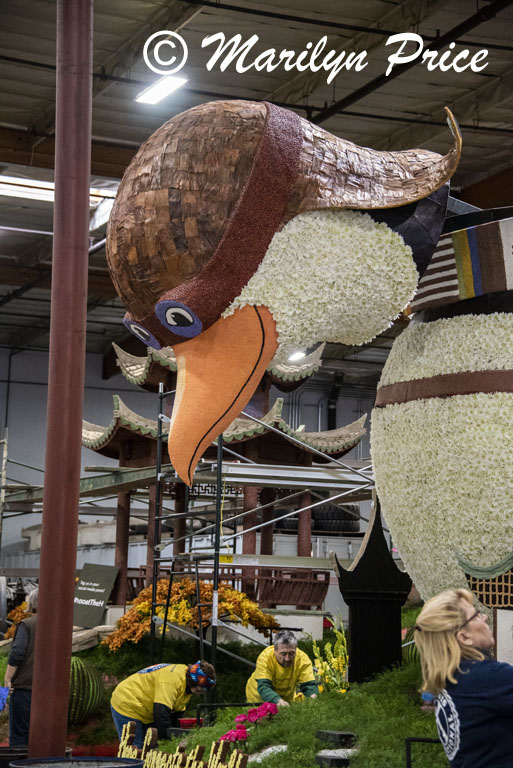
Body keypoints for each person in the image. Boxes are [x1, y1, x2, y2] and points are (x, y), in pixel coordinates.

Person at [414, 587, 512, 767]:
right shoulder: (488, 679)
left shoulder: (449, 682)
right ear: (464, 637)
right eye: (476, 615)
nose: (485, 617)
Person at [110, 660, 216, 747]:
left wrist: (177, 737)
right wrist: (169, 740)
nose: (199, 693)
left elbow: (175, 716)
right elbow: (161, 713)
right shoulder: (171, 680)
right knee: (134, 749)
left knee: (152, 747)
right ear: (194, 681)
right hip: (127, 702)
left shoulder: (185, 685)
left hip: (146, 709)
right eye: (199, 690)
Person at [245, 630, 319, 706]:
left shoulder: (302, 659)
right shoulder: (265, 658)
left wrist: (313, 697)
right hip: (258, 699)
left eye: (291, 653)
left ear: (296, 649)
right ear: (275, 650)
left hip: (286, 700)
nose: (287, 658)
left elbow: (309, 685)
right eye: (283, 654)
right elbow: (264, 687)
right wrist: (278, 701)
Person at [3, 588, 38, 746]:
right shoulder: (61, 624)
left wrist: (8, 678)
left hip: (26, 688)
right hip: (53, 690)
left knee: (20, 736)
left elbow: (17, 653)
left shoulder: (27, 625)